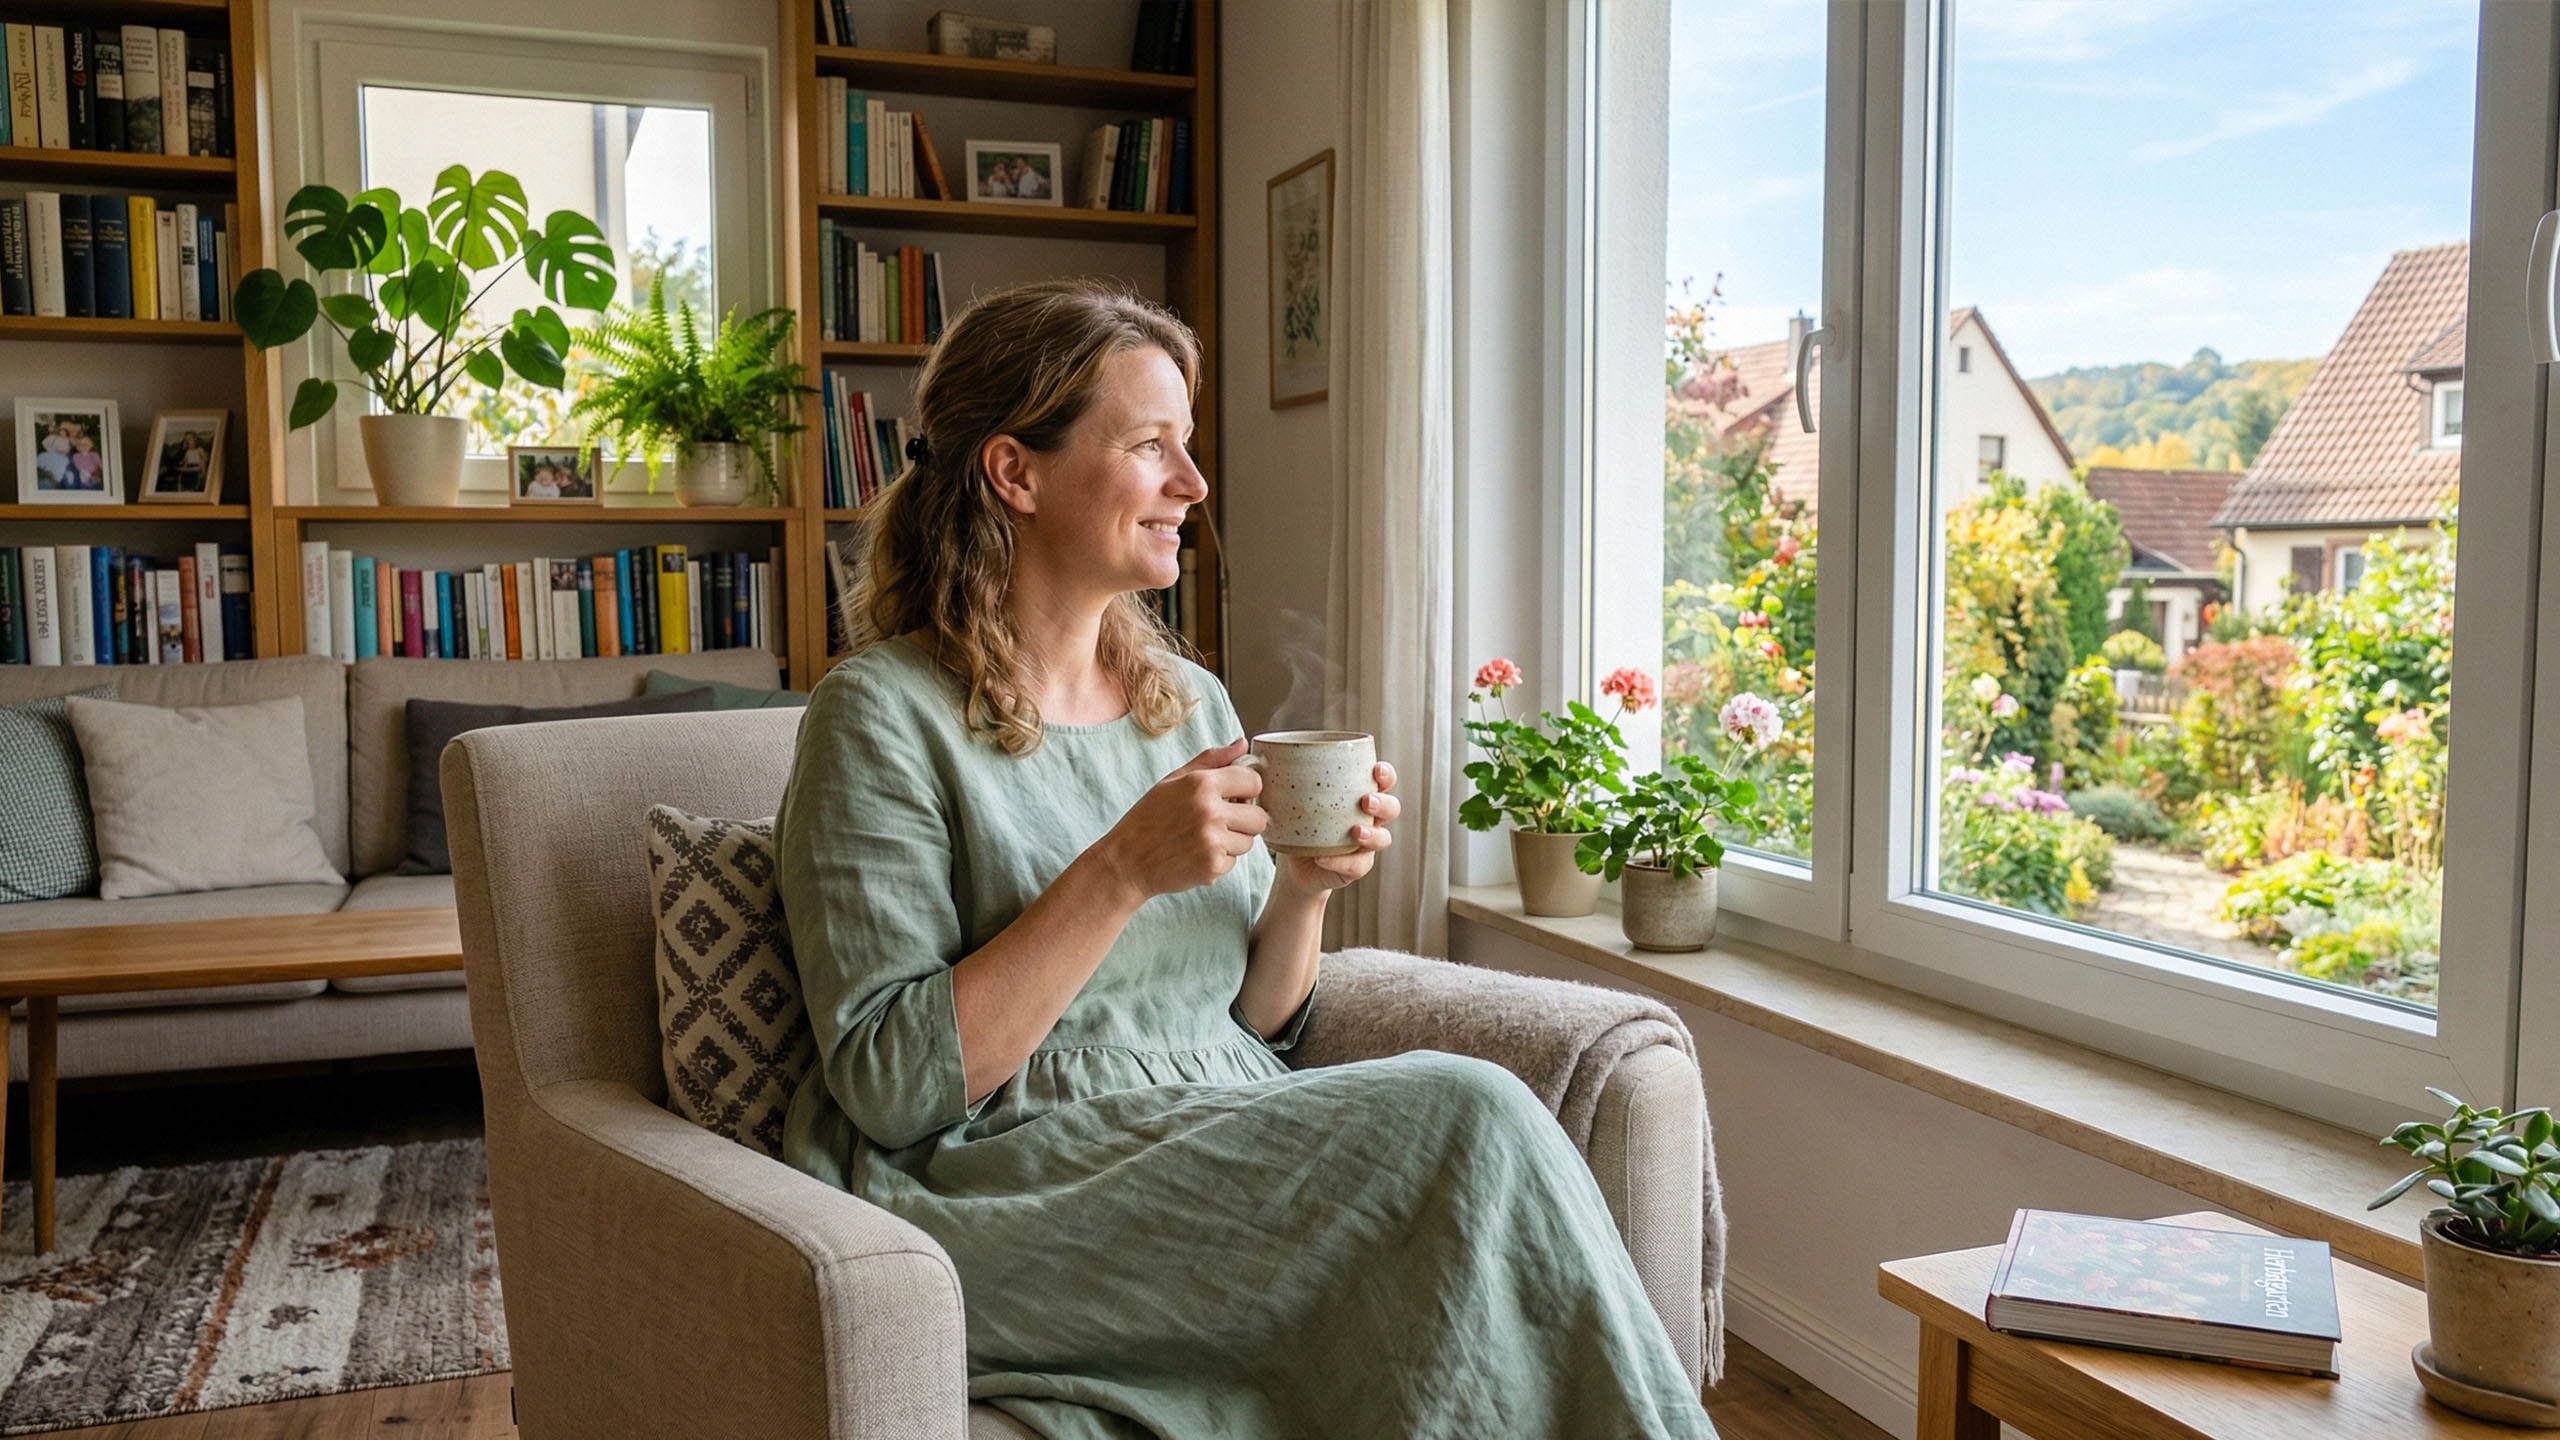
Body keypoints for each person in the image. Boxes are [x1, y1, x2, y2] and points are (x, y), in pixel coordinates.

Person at [775, 278, 1715, 1440]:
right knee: (1467, 1112)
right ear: (1015, 472)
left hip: (1212, 1127)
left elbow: (1250, 1022)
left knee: (1464, 1202)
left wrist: (1305, 891)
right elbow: (889, 1082)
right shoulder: (879, 715)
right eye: (1149, 446)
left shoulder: (1185, 703)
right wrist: (1119, 870)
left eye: (1188, 444)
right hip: (1007, 1182)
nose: (1193, 483)